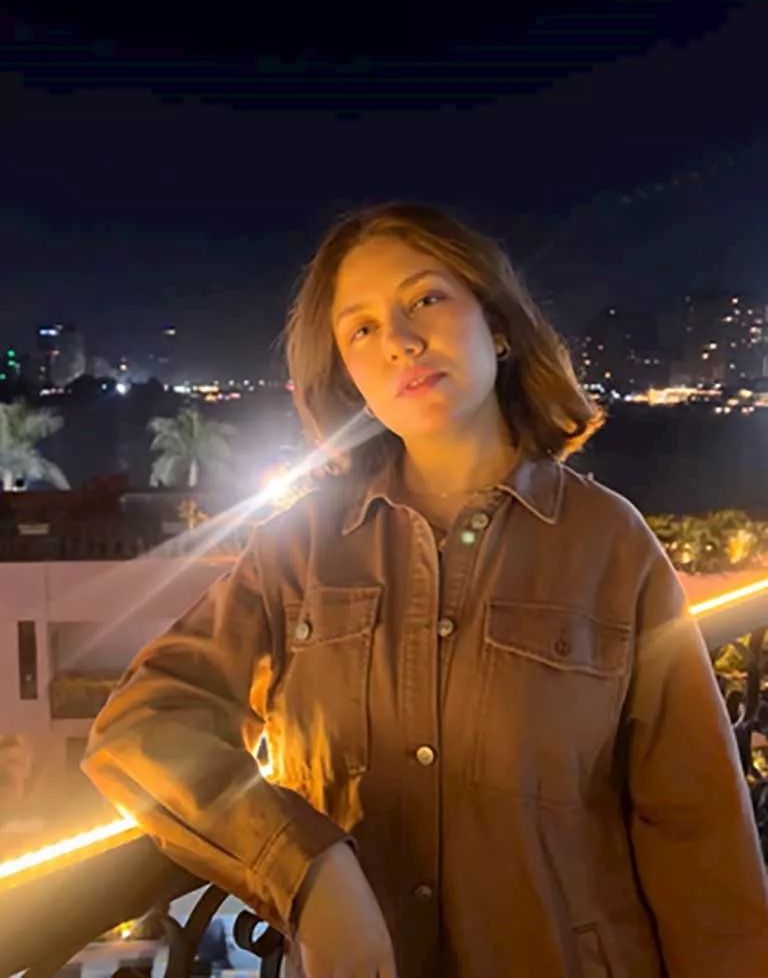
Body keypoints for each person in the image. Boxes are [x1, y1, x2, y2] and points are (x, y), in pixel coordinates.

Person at [83, 202, 768, 978]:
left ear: (497, 325)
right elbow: (142, 724)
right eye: (362, 329)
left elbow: (699, 834)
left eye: (427, 299)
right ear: (348, 375)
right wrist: (305, 866)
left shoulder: (610, 547)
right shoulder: (297, 550)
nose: (401, 342)